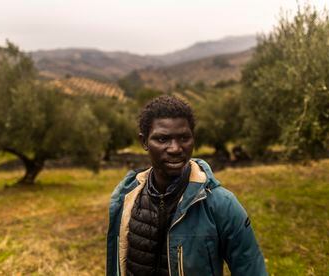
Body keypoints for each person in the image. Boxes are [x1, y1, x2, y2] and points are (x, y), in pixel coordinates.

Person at [106, 95, 267, 276]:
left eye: (184, 138)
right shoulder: (126, 197)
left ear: (193, 139)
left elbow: (251, 269)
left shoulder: (222, 205)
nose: (175, 148)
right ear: (144, 142)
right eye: (162, 139)